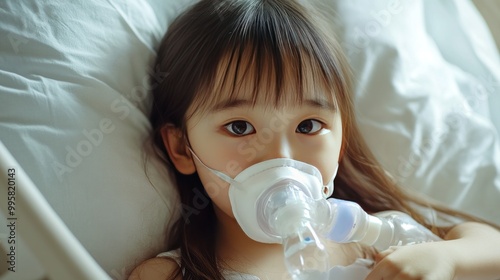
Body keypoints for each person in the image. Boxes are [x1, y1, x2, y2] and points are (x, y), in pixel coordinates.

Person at [130, 0, 500, 279]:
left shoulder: (373, 238)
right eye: (240, 127)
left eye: (307, 126)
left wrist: (446, 258)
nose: (282, 156)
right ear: (182, 148)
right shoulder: (170, 274)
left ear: (340, 141)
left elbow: (490, 245)